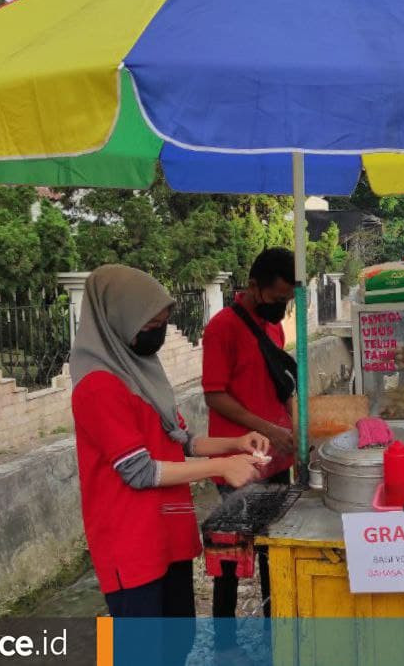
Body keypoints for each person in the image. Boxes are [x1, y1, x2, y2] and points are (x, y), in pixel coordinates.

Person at [70, 264, 271, 626]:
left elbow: (182, 441)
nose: (157, 335)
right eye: (149, 327)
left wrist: (235, 443)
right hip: (131, 543)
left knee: (179, 644)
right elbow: (139, 471)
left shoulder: (142, 373)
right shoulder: (98, 386)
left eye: (161, 325)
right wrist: (221, 468)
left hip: (166, 534)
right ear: (118, 322)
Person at [201, 247, 296, 648]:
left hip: (278, 460)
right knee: (230, 557)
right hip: (237, 463)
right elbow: (215, 396)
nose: (281, 308)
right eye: (277, 299)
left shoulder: (273, 328)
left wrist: (297, 426)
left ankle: (277, 631)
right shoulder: (222, 328)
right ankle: (224, 642)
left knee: (275, 552)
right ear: (254, 286)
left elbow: (279, 385)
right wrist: (267, 429)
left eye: (287, 301)